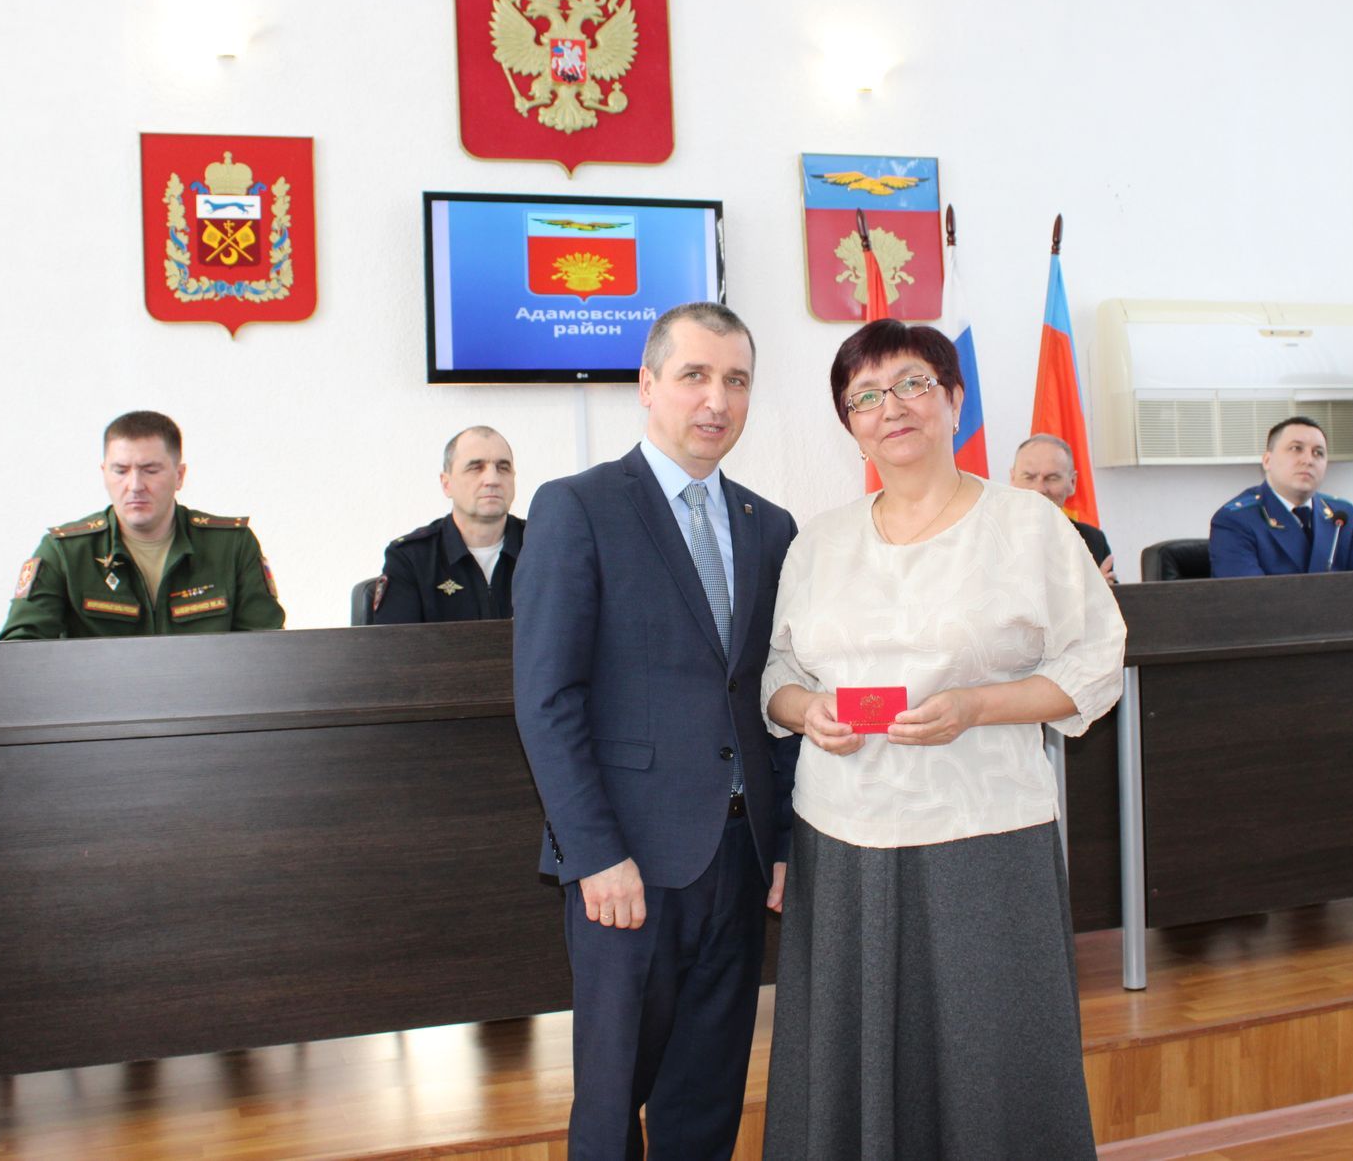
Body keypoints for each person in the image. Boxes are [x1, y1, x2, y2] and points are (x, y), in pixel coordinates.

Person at [761, 319, 1125, 1158]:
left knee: (990, 1056)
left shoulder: (1028, 525)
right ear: (850, 423)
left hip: (984, 831)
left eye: (913, 383)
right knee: (849, 1059)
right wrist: (804, 710)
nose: (892, 407)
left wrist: (978, 705)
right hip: (842, 837)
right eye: (866, 395)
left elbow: (1096, 662)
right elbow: (777, 669)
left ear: (955, 400)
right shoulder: (819, 540)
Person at [512, 301, 799, 1160]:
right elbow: (547, 698)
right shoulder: (578, 506)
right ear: (647, 384)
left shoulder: (769, 525)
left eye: (736, 380)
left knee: (706, 1098)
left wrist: (784, 842)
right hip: (627, 864)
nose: (717, 399)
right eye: (694, 375)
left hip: (739, 860)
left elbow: (769, 694)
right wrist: (594, 852)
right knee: (611, 1105)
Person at [0, 411, 285, 639]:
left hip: (207, 695)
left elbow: (267, 650)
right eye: (120, 471)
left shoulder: (231, 546)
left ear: (179, 476)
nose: (135, 485)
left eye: (150, 470)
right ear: (104, 474)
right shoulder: (66, 552)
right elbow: (20, 653)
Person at [370, 425, 524, 623]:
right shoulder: (411, 558)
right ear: (446, 484)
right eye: (476, 468)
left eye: (503, 468)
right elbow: (396, 642)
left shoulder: (544, 548)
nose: (492, 479)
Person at [1209, 415, 1353, 577]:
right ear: (1267, 461)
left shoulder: (1342, 516)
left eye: (1318, 453)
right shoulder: (1236, 520)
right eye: (1296, 449)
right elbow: (1249, 594)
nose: (1308, 460)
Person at [1011, 432, 1117, 583]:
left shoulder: (1092, 540)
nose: (1039, 489)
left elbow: (1112, 595)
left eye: (1052, 478)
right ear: (1012, 478)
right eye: (1029, 477)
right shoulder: (987, 536)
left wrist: (1104, 592)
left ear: (1072, 483)